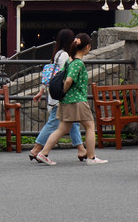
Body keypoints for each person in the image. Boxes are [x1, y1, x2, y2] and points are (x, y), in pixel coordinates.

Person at [37, 33, 107, 165]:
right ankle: (91, 157)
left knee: (62, 129)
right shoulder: (78, 63)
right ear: (87, 47)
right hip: (77, 100)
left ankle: (43, 153)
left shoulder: (70, 61)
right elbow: (69, 80)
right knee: (90, 126)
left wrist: (63, 93)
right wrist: (64, 90)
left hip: (66, 101)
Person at [28, 29, 87, 163]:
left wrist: (42, 91)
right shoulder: (65, 55)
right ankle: (37, 149)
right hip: (62, 95)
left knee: (73, 122)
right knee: (54, 122)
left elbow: (50, 75)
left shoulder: (57, 54)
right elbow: (65, 76)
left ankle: (81, 150)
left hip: (56, 95)